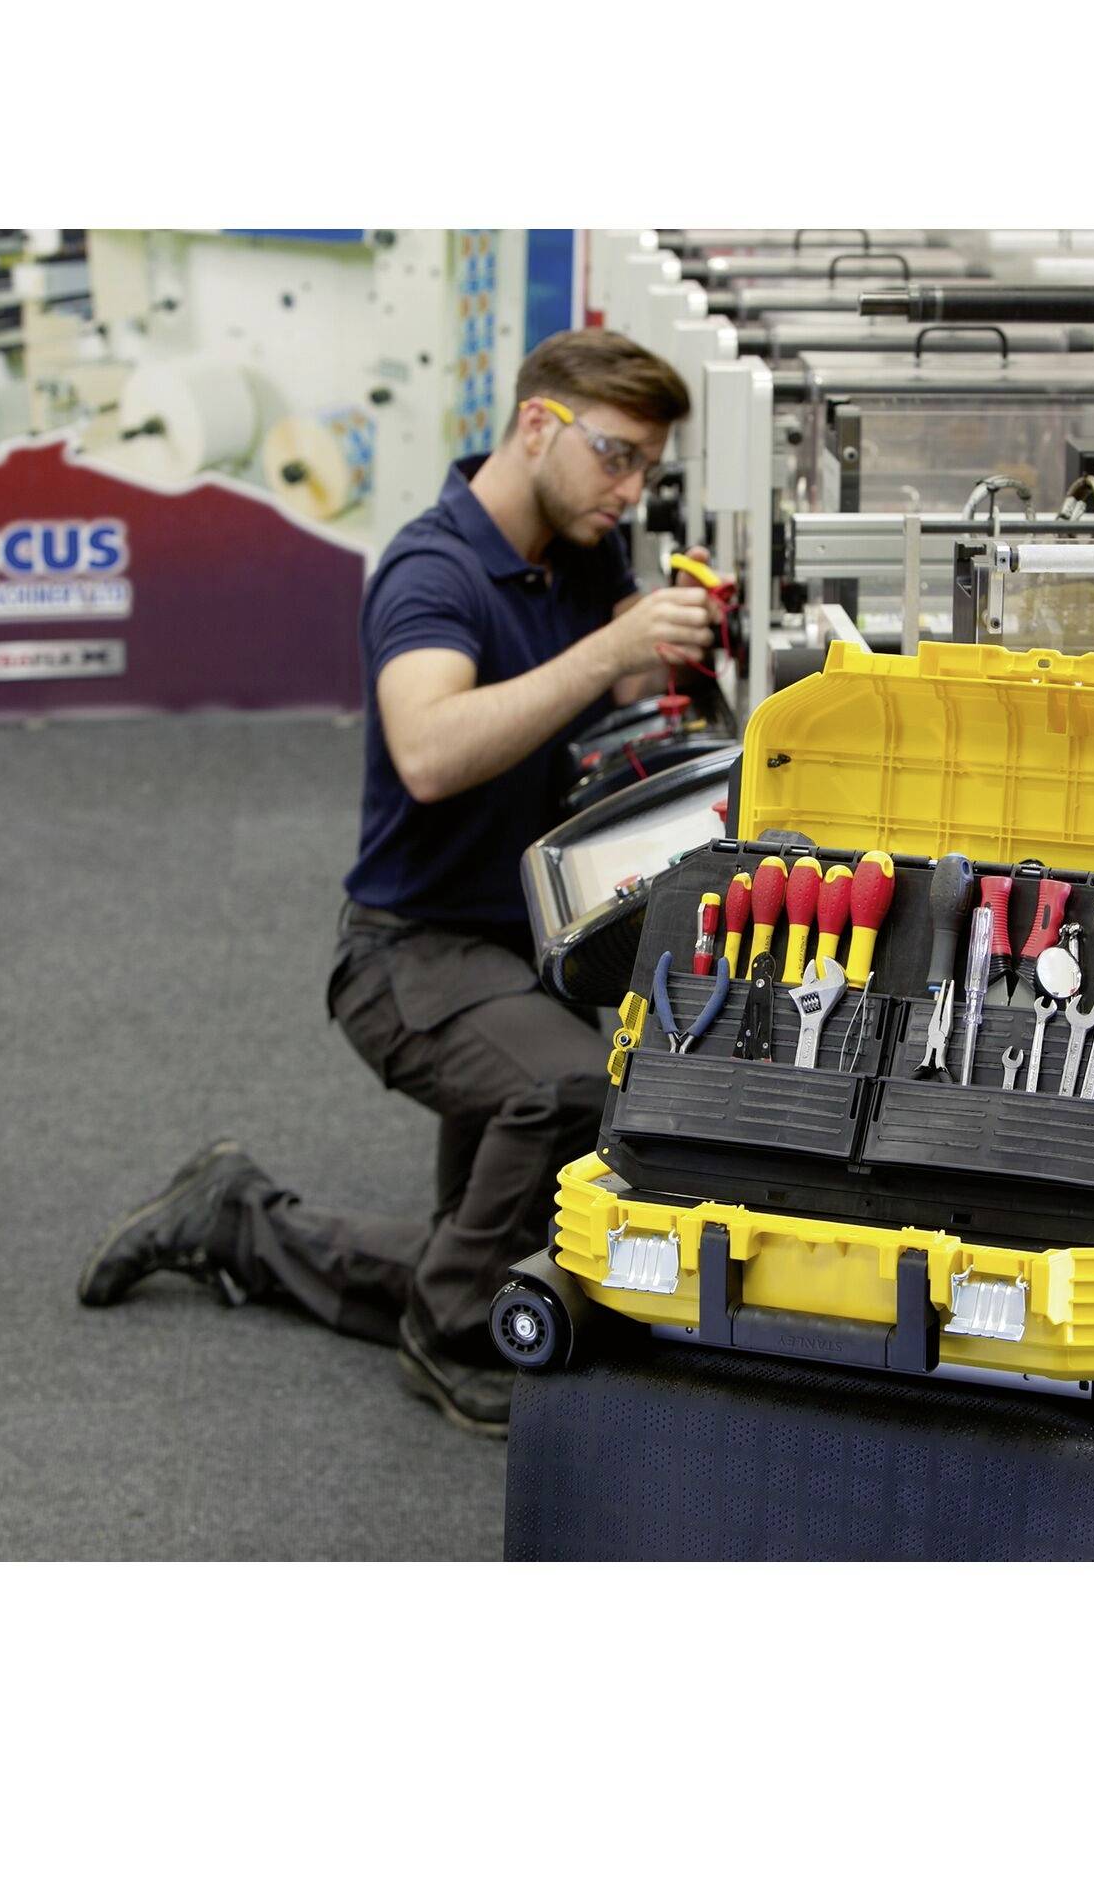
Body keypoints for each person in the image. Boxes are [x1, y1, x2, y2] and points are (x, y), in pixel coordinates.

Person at [76, 331, 719, 1435]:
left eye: (648, 470)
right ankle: (449, 1334)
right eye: (615, 457)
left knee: (488, 1242)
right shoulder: (431, 570)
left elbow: (595, 691)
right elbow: (427, 749)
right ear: (536, 426)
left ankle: (240, 1218)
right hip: (407, 956)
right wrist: (603, 656)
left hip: (519, 948)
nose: (630, 489)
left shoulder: (578, 554)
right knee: (575, 1089)